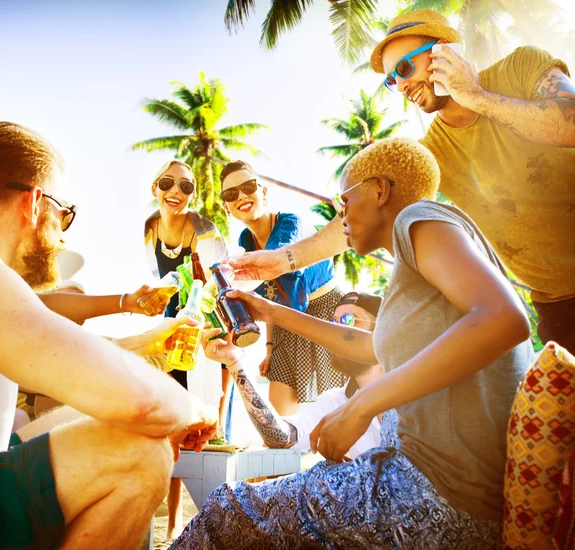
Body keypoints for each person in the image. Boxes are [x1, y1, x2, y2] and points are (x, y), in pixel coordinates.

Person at [174, 136, 534, 548]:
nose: (339, 216)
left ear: (380, 190)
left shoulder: (418, 218)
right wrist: (268, 310)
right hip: (423, 488)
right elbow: (363, 344)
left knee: (229, 510)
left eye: (344, 202)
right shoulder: (421, 290)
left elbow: (504, 319)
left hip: (433, 498)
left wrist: (362, 406)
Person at [230, 9, 575, 352]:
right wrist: (281, 260)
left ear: (443, 51)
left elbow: (569, 123)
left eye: (405, 68)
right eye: (392, 79)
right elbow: (362, 215)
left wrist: (477, 97)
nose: (403, 85)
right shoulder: (432, 154)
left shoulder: (520, 67)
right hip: (559, 304)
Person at [0, 121, 218, 550]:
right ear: (35, 203)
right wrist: (191, 408)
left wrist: (152, 337)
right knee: (141, 455)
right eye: (64, 211)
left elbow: (69, 352)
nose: (65, 231)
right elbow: (141, 401)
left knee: (122, 421)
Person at [220, 160, 345, 416]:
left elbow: (280, 267)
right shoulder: (245, 241)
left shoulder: (289, 224)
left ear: (263, 191)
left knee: (338, 407)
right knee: (281, 418)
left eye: (248, 186)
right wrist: (268, 348)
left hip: (326, 310)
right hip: (284, 319)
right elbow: (269, 295)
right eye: (231, 194)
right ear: (227, 206)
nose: (241, 196)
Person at [203, 291, 384, 458]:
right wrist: (235, 362)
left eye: (349, 320)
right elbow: (281, 436)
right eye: (334, 323)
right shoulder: (334, 403)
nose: (338, 332)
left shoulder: (410, 388)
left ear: (383, 329)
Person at [144, 159, 232, 433]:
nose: (175, 191)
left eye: (185, 186)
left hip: (208, 317)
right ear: (154, 188)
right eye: (167, 182)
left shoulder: (203, 230)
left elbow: (215, 285)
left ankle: (216, 431)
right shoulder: (150, 227)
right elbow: (159, 276)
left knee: (206, 402)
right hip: (174, 317)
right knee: (173, 405)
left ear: (192, 195)